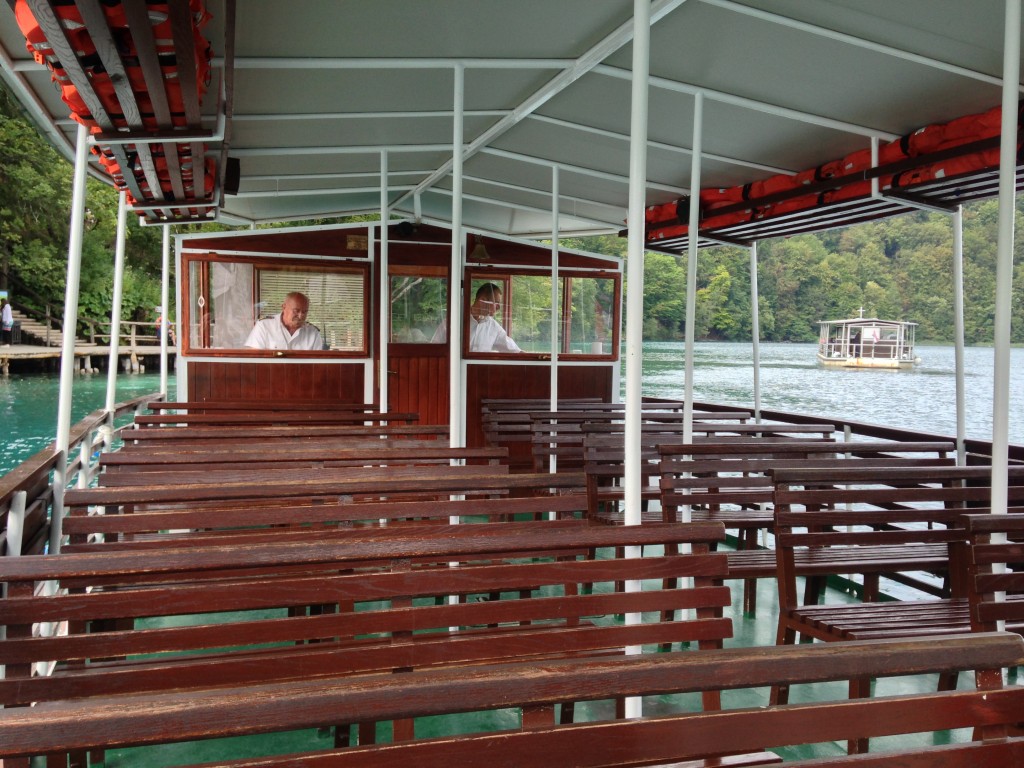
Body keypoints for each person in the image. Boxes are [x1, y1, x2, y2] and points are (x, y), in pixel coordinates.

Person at [244, 291, 324, 350]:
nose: (300, 316)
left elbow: (318, 363)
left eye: (304, 312)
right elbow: (254, 359)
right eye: (296, 311)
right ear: (284, 307)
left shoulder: (313, 332)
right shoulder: (264, 326)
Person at [468, 283, 520, 353]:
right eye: (496, 303)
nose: (499, 307)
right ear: (482, 301)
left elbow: (513, 350)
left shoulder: (493, 326)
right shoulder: (456, 320)